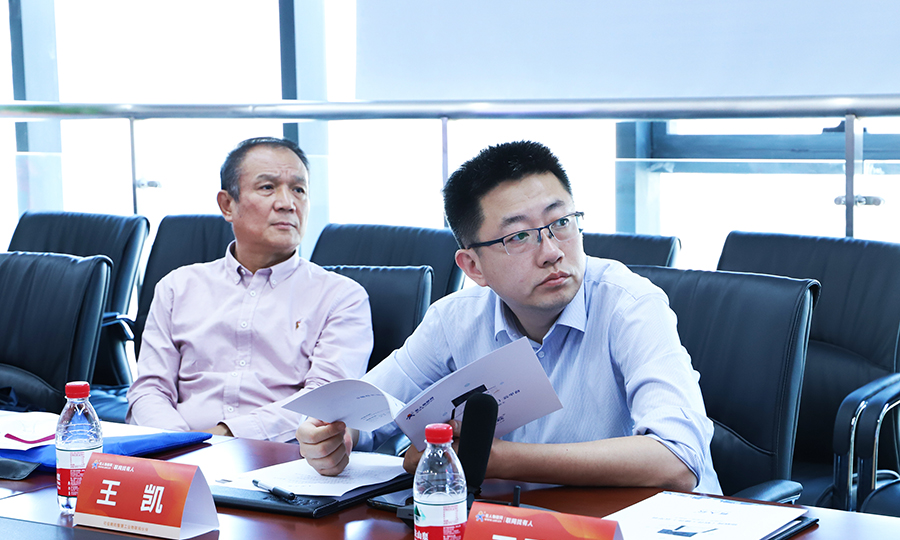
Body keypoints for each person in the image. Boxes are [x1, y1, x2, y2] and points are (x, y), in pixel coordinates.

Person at [297, 140, 721, 494]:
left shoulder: (630, 305)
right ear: (473, 267)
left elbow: (679, 460)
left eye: (562, 222)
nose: (552, 252)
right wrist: (335, 436)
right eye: (518, 236)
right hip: (521, 535)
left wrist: (496, 458)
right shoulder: (454, 320)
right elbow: (368, 409)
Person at [127, 137, 373, 441]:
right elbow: (150, 389)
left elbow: (324, 404)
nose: (287, 203)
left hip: (284, 458)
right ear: (227, 205)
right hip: (176, 455)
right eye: (268, 187)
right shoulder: (177, 287)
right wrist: (175, 446)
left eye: (299, 190)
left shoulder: (341, 297)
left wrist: (221, 437)